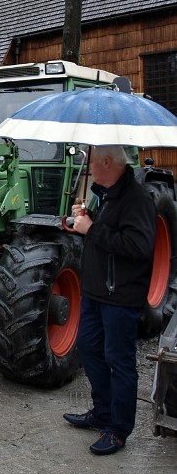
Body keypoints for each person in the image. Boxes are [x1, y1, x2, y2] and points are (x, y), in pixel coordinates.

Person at [63, 145, 156, 455]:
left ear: (106, 162)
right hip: (96, 291)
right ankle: (102, 412)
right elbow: (105, 234)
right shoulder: (107, 195)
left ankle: (117, 430)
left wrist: (93, 228)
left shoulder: (137, 199)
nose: (88, 166)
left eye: (91, 161)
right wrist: (84, 222)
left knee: (120, 361)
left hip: (121, 295)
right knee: (89, 349)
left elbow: (138, 246)